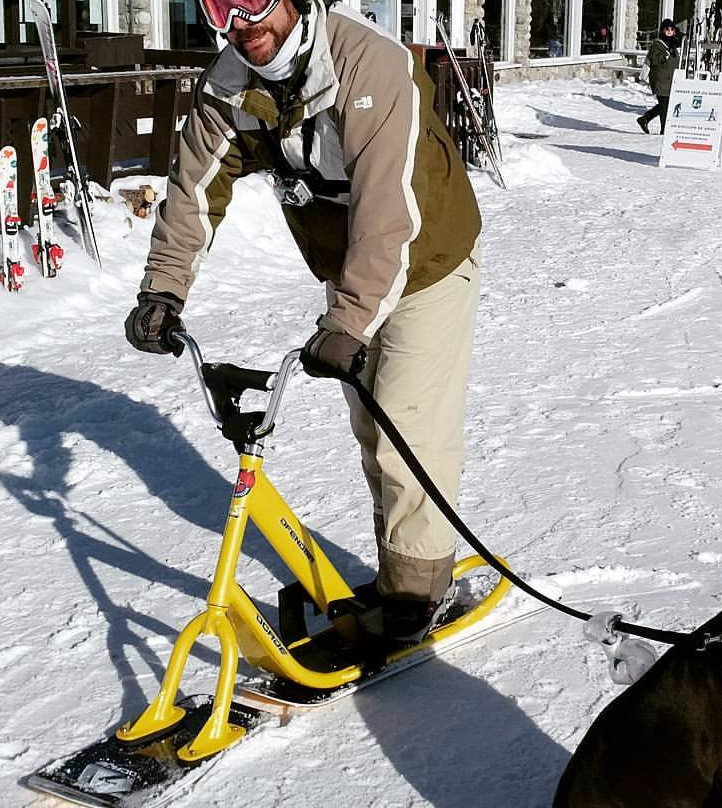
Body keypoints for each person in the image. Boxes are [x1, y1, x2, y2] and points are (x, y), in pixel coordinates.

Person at [123, 0, 482, 644]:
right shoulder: (230, 82)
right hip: (349, 267)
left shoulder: (371, 66)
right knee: (372, 427)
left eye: (255, 2)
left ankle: (418, 588)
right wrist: (164, 290)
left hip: (427, 258)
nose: (243, 22)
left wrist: (348, 320)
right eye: (220, 7)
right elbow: (194, 189)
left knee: (408, 425)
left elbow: (390, 209)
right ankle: (403, 566)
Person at [637, 19, 681, 135]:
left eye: (672, 29)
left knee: (666, 104)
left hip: (671, 80)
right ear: (662, 30)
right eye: (667, 29)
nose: (669, 31)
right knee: (665, 106)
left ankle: (645, 119)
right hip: (660, 80)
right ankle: (664, 131)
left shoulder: (673, 45)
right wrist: (664, 57)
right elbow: (653, 60)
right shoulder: (657, 44)